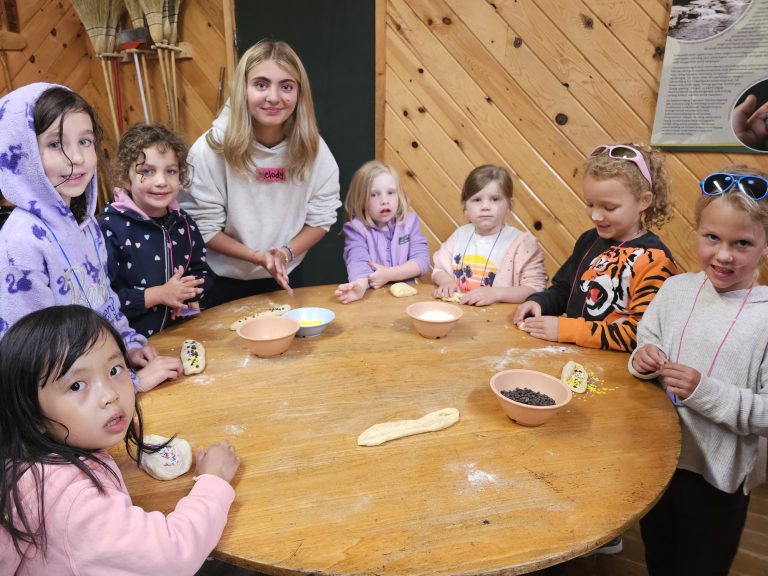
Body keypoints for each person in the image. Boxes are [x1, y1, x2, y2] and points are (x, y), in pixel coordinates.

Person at [0, 305, 240, 575]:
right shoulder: (77, 505)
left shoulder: (31, 458)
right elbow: (172, 555)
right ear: (33, 416)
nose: (110, 395)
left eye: (114, 370)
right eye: (77, 385)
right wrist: (213, 483)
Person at [629, 167, 768, 576]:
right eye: (713, 238)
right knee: (659, 557)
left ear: (765, 245)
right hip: (658, 466)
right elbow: (644, 342)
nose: (723, 255)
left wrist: (703, 392)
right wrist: (642, 359)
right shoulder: (675, 291)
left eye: (742, 243)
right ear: (698, 231)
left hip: (717, 481)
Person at [0, 83, 180, 391]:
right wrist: (130, 384)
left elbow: (102, 300)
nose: (78, 158)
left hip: (101, 388)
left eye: (85, 141)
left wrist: (128, 345)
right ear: (22, 154)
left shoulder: (86, 225)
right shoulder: (21, 244)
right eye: (56, 145)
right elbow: (37, 364)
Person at [180, 39, 341, 307]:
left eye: (286, 86)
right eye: (261, 84)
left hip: (286, 274)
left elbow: (321, 217)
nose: (274, 97)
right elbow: (204, 226)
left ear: (300, 93)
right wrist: (257, 257)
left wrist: (285, 254)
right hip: (222, 281)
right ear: (243, 89)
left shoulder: (314, 149)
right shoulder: (210, 149)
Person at [513, 143, 677, 351]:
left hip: (615, 373)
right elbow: (565, 289)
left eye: (609, 207)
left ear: (643, 201)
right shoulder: (588, 240)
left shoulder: (656, 260)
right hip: (576, 361)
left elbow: (641, 335)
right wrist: (539, 302)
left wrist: (567, 330)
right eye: (590, 204)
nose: (596, 216)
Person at [99, 123, 213, 337]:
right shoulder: (110, 227)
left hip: (180, 335)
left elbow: (203, 273)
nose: (161, 181)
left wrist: (186, 297)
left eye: (170, 171)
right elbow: (102, 301)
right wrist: (159, 295)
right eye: (146, 171)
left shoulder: (184, 223)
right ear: (125, 177)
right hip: (132, 348)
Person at [432, 164, 547, 306]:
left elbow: (535, 289)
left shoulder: (522, 244)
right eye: (477, 200)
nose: (485, 206)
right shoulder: (459, 235)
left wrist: (496, 293)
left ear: (509, 205)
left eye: (494, 199)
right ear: (465, 206)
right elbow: (439, 269)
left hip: (499, 320)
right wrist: (446, 281)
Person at [334, 161, 430, 304]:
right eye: (374, 195)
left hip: (408, 300)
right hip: (373, 300)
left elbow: (422, 261)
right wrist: (359, 287)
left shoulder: (409, 223)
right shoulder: (356, 229)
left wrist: (388, 274)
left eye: (390, 193)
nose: (384, 201)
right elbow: (357, 262)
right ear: (361, 200)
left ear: (399, 195)